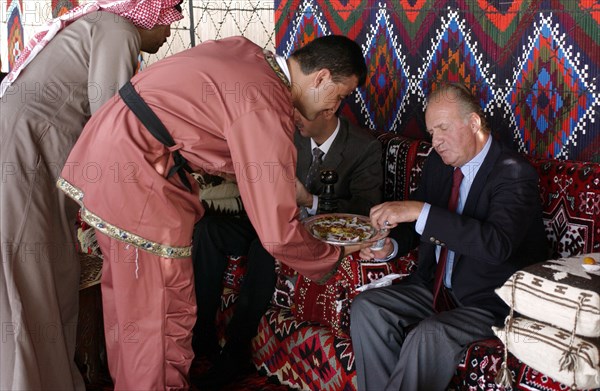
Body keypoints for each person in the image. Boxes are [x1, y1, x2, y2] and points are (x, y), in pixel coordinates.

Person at [56, 35, 368, 389]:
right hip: (139, 170)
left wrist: (278, 185)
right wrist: (334, 254)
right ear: (321, 77)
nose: (335, 108)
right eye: (339, 96)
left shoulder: (247, 54)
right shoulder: (267, 102)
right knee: (157, 315)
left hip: (114, 150)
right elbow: (277, 234)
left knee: (129, 310)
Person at [0, 2, 182, 390]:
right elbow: (111, 123)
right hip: (26, 161)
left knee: (47, 271)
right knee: (28, 279)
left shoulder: (99, 25)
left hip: (30, 158)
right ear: (149, 14)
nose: (169, 31)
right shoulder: (119, 31)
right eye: (168, 20)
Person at [350, 82, 548, 391]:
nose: (436, 141)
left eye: (443, 129)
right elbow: (419, 226)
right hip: (436, 288)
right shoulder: (439, 165)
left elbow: (497, 246)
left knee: (427, 335)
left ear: (473, 123)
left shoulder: (512, 172)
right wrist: (392, 244)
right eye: (431, 133)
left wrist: (420, 210)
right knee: (368, 309)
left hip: (490, 302)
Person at [192, 107, 383, 388]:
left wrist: (311, 201)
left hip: (311, 233)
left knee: (267, 246)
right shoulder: (289, 135)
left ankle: (235, 351)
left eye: (301, 112)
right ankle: (203, 333)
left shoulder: (363, 146)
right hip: (272, 220)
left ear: (328, 109)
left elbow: (366, 210)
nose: (293, 117)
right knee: (209, 231)